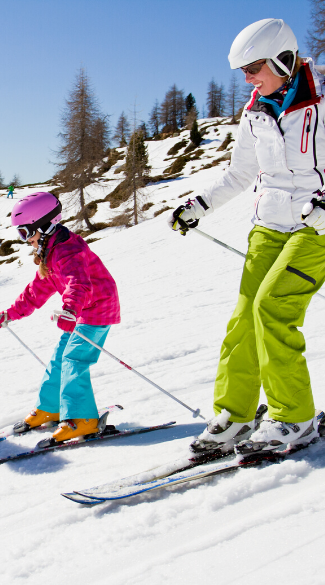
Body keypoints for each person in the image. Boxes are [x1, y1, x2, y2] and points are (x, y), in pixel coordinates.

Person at [168, 18, 325, 453]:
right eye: (244, 71)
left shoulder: (322, 102)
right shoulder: (255, 110)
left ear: (284, 58)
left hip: (317, 228)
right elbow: (240, 172)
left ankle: (295, 418)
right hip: (269, 225)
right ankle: (235, 415)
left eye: (254, 67)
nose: (248, 78)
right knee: (243, 319)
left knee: (272, 308)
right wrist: (198, 205)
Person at [0, 192, 120, 442]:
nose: (25, 240)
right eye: (21, 234)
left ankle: (82, 420)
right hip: (80, 311)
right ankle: (51, 408)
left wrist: (70, 310)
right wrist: (10, 314)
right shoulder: (50, 252)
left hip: (97, 307)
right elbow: (35, 291)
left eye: (26, 233)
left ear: (46, 226)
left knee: (74, 359)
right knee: (60, 359)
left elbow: (79, 282)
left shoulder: (69, 250)